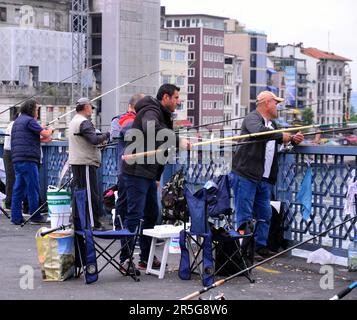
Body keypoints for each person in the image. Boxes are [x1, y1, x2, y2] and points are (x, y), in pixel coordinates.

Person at [121, 84, 191, 271]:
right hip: (136, 172)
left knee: (152, 215)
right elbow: (151, 128)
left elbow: (161, 149)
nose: (178, 101)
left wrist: (157, 176)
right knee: (134, 215)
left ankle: (146, 258)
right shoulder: (151, 110)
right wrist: (178, 140)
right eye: (176, 98)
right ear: (166, 97)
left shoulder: (163, 114)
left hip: (149, 174)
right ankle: (125, 259)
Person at [230, 91, 304, 260]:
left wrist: (292, 139)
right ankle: (243, 248)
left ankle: (260, 247)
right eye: (275, 103)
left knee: (265, 214)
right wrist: (282, 136)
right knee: (244, 214)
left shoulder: (274, 124)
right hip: (245, 175)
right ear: (266, 103)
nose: (277, 106)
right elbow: (260, 133)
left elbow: (279, 139)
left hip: (264, 178)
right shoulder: (252, 118)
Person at [68, 97, 110, 231]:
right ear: (86, 107)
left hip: (77, 161)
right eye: (91, 107)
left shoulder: (74, 120)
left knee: (80, 192)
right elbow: (94, 140)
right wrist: (108, 134)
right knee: (90, 194)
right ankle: (93, 223)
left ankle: (78, 220)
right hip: (85, 162)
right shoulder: (84, 122)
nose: (92, 110)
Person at [10, 99, 53, 225]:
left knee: (18, 189)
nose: (38, 112)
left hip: (17, 159)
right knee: (33, 187)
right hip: (28, 159)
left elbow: (35, 138)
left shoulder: (18, 121)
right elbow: (45, 134)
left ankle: (16, 217)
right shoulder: (29, 120)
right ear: (31, 109)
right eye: (37, 109)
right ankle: (35, 215)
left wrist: (45, 133)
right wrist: (50, 129)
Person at [110, 93, 145, 229]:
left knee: (134, 201)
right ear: (130, 106)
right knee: (125, 199)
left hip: (140, 169)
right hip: (125, 167)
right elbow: (115, 135)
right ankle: (121, 229)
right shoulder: (121, 120)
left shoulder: (142, 120)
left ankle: (133, 230)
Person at [3, 113, 18, 210]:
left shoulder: (12, 124)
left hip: (9, 152)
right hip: (10, 152)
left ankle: (10, 202)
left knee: (11, 178)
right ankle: (9, 202)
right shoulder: (14, 125)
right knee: (11, 178)